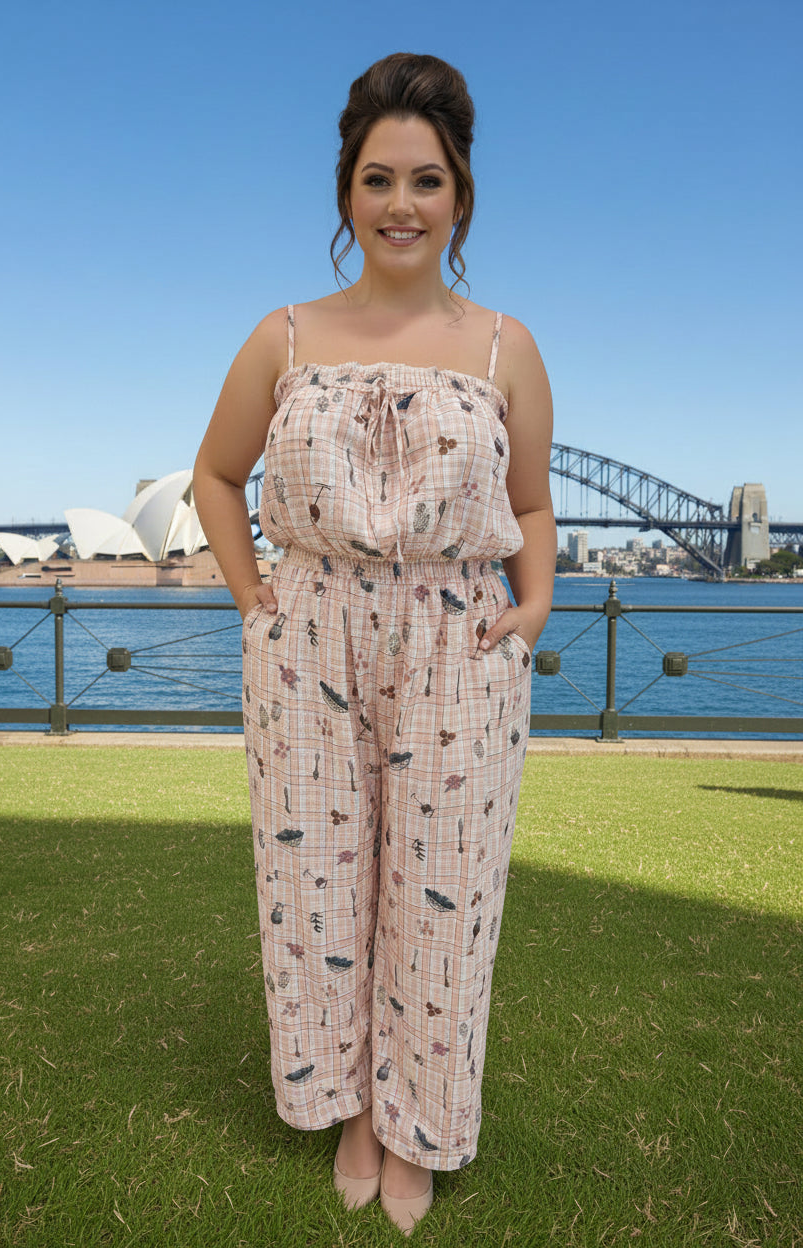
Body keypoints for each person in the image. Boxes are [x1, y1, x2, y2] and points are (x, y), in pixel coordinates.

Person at [193, 52, 555, 1235]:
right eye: (377, 178)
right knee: (318, 883)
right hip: (309, 640)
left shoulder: (506, 349)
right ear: (346, 192)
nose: (401, 204)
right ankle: (352, 1106)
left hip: (457, 643)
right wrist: (257, 603)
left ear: (460, 195)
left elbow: (535, 504)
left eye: (427, 181)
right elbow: (214, 476)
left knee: (444, 893)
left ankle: (420, 1127)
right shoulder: (284, 337)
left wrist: (536, 600)